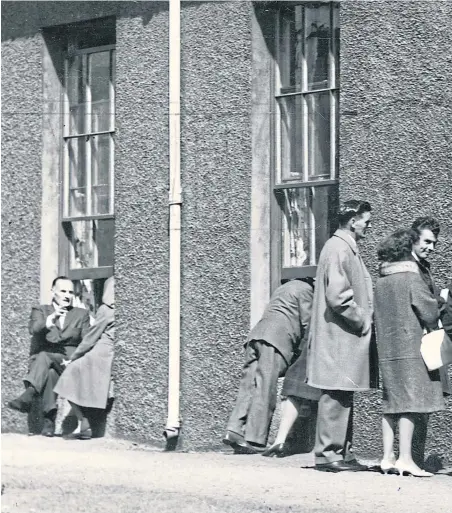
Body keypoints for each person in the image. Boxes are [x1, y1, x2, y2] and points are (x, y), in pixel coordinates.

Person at [306, 200, 374, 472]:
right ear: (353, 220)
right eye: (366, 221)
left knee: (342, 393)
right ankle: (329, 454)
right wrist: (361, 317)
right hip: (339, 334)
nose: (368, 226)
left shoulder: (342, 247)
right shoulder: (338, 248)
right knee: (336, 392)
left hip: (342, 334)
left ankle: (339, 452)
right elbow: (338, 296)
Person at [374, 229, 445, 477]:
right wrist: (442, 300)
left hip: (387, 347)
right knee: (410, 403)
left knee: (390, 402)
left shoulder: (382, 279)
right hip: (410, 346)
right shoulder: (411, 278)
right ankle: (405, 459)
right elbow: (429, 313)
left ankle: (387, 457)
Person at [223, 278, 315, 454]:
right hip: (276, 340)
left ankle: (234, 430)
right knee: (265, 387)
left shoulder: (283, 289)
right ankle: (254, 440)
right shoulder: (306, 290)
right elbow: (307, 325)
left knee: (248, 385)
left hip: (256, 336)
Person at [8, 276, 90, 436]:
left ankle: (30, 394)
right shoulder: (41, 311)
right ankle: (48, 422)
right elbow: (33, 329)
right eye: (63, 291)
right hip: (47, 364)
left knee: (45, 355)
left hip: (70, 359)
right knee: (50, 372)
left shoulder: (81, 313)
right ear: (53, 291)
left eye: (70, 292)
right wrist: (49, 320)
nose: (67, 295)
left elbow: (87, 339)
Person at [262, 279, 321, 458]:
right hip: (316, 354)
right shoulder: (317, 302)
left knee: (293, 392)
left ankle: (280, 440)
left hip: (303, 356)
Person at [410, 217, 451, 467]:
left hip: (426, 340)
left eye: (434, 243)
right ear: (413, 239)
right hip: (418, 341)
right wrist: (442, 299)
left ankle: (414, 456)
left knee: (424, 401)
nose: (431, 247)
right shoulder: (410, 269)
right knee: (416, 402)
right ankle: (411, 458)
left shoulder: (422, 266)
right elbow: (422, 303)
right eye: (427, 241)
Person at [54, 277, 115, 440]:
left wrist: (74, 357)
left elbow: (90, 337)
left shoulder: (105, 309)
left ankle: (83, 420)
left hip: (101, 351)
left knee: (69, 374)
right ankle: (85, 422)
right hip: (110, 352)